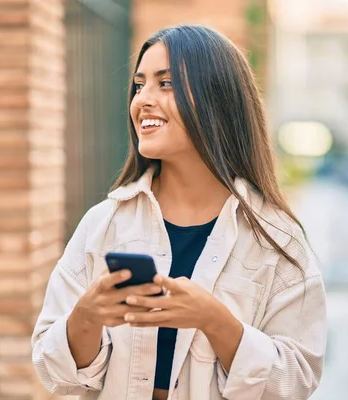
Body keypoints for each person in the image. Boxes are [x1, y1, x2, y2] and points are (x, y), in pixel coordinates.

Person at [31, 25, 327, 400]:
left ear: (217, 99)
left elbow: (297, 380)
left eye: (165, 83)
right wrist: (87, 316)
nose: (143, 100)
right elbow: (53, 372)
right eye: (139, 85)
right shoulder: (102, 225)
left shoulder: (277, 238)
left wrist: (215, 321)